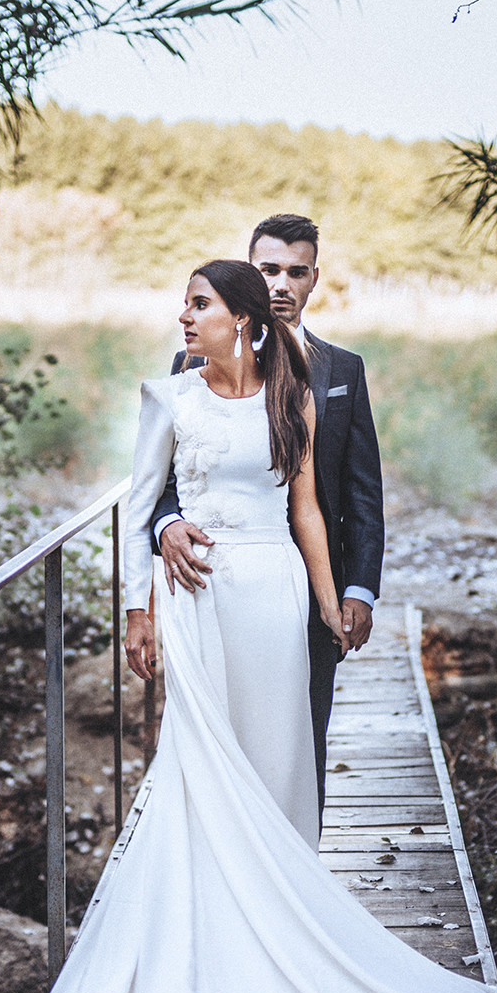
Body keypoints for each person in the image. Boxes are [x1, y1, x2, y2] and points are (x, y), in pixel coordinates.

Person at [0, 260, 497, 993]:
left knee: (278, 764)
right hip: (198, 602)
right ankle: (208, 948)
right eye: (186, 304)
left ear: (244, 320)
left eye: (200, 304)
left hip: (273, 593)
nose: (185, 315)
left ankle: (281, 937)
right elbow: (141, 506)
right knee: (202, 769)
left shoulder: (294, 400)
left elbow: (308, 510)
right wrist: (137, 613)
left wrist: (330, 606)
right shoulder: (167, 397)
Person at [138, 213, 384, 830]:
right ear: (249, 275)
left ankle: (294, 866)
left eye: (296, 272)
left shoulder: (341, 371)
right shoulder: (189, 367)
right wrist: (168, 525)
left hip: (304, 584)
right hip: (210, 583)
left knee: (298, 743)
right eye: (268, 269)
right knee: (215, 738)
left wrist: (357, 590)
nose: (281, 284)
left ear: (314, 279)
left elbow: (361, 492)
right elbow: (168, 479)